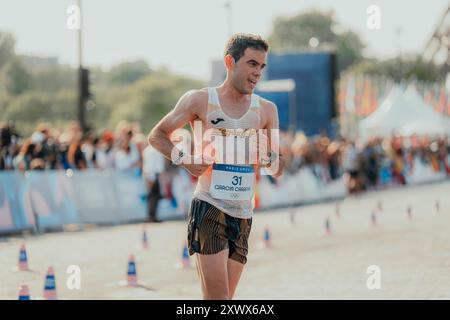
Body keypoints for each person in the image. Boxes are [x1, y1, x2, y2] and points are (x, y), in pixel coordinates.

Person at [148, 33, 284, 300]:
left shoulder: (267, 110)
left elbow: (278, 167)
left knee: (222, 300)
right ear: (230, 61)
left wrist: (268, 158)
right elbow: (157, 135)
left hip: (243, 213)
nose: (258, 73)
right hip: (210, 206)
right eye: (252, 64)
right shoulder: (200, 100)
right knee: (219, 297)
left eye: (261, 66)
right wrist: (185, 160)